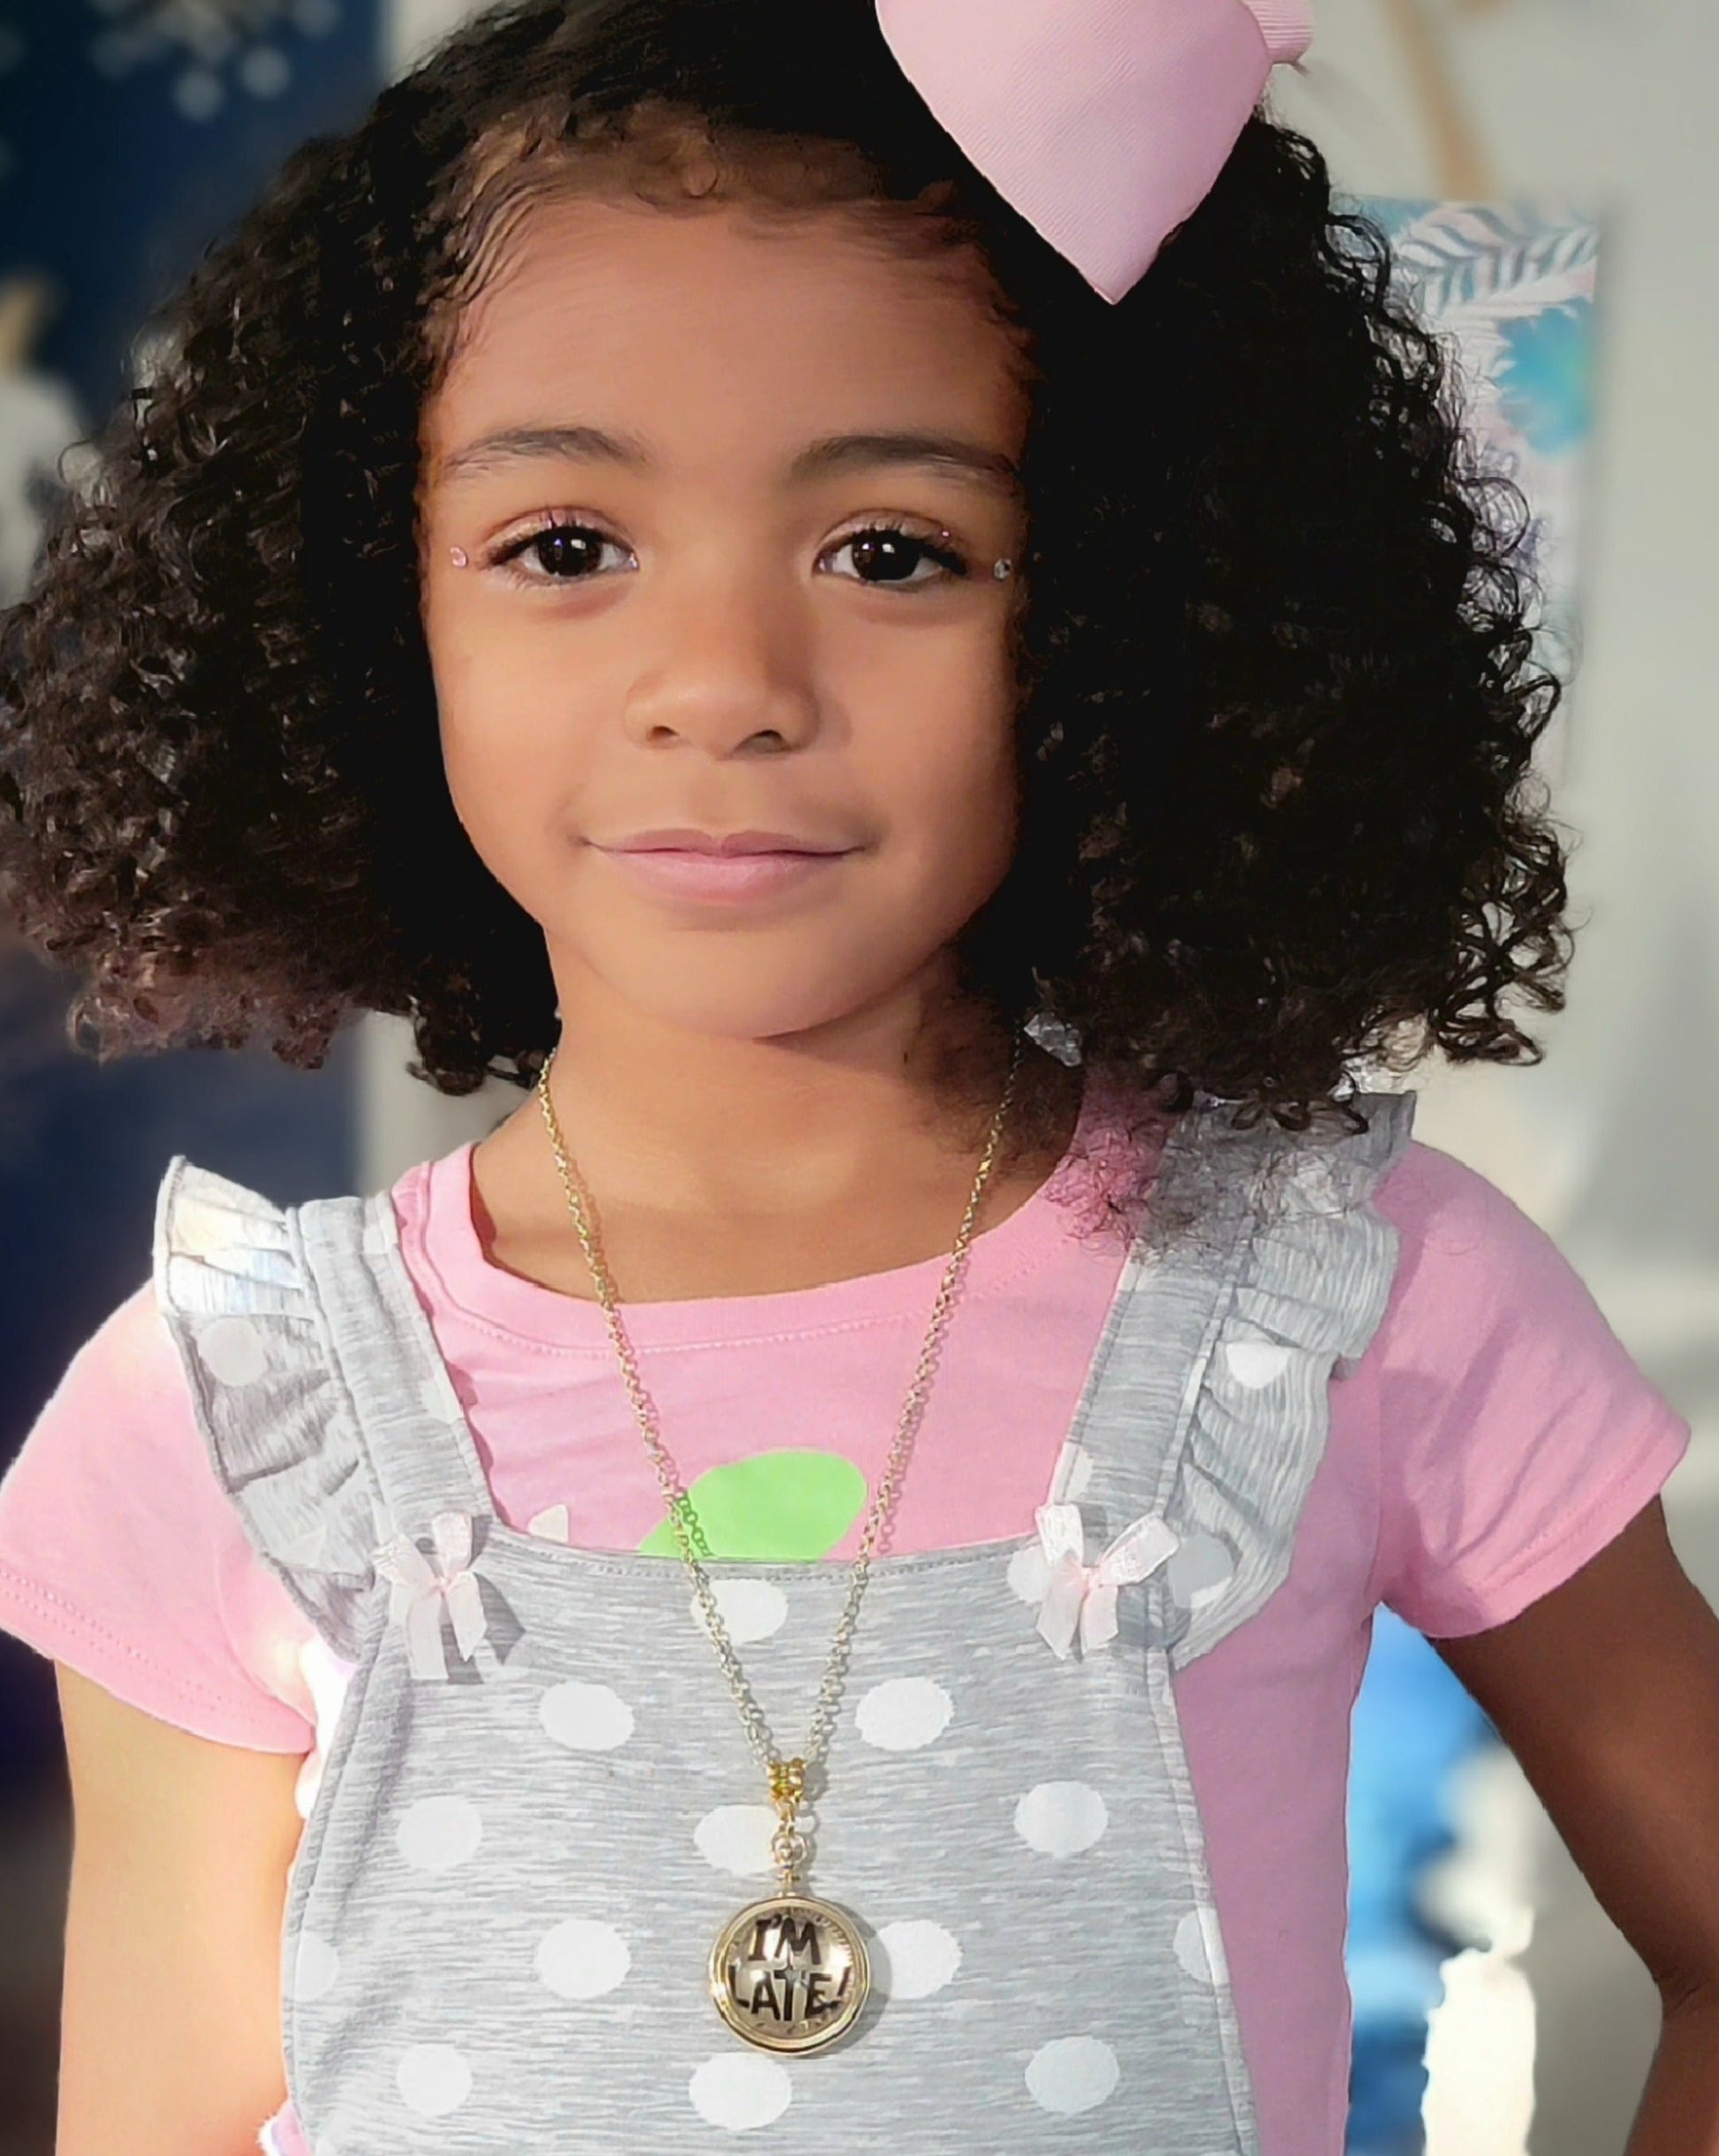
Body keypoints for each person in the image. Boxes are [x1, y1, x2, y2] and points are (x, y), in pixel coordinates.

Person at [0, 3, 1714, 2151]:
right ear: (368, 606)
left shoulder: (1360, 1305)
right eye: (564, 547)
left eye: (891, 551)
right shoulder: (228, 1408)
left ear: (1120, 610)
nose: (722, 684)